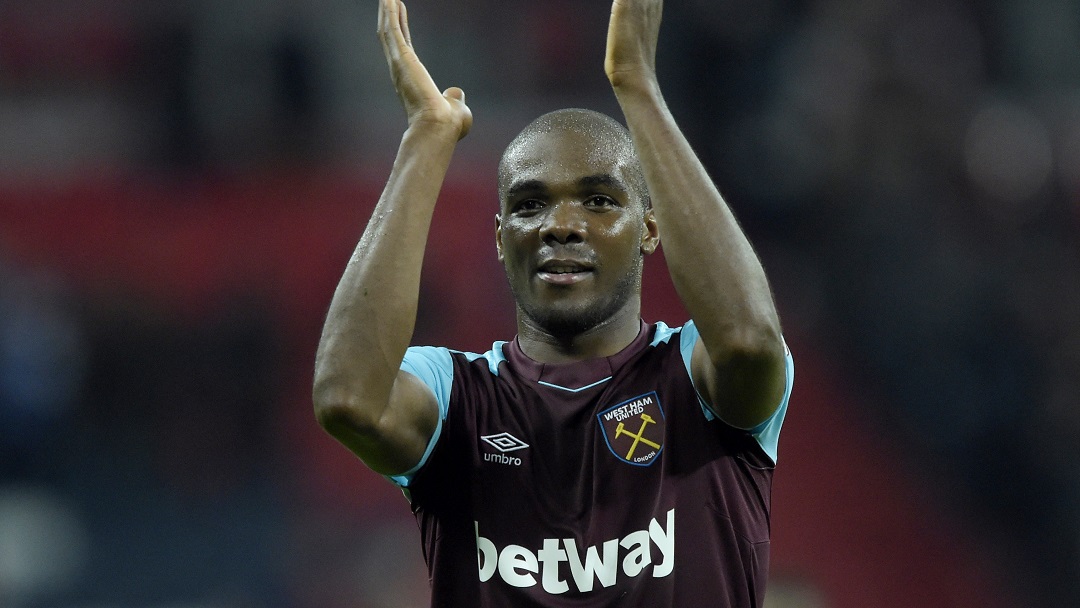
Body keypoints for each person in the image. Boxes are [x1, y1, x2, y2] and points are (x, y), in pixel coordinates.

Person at [313, 0, 794, 605]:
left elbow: (750, 341)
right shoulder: (457, 396)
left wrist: (638, 86)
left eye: (598, 201)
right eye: (530, 204)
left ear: (651, 228)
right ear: (500, 239)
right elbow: (346, 400)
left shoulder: (693, 379)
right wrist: (426, 139)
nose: (560, 225)